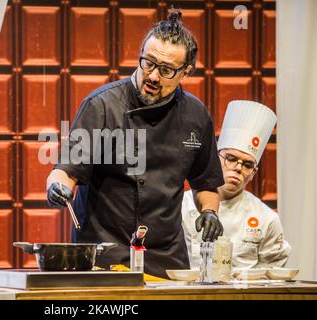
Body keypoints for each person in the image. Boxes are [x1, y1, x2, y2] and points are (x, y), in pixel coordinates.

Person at [46, 9, 225, 278]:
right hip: (106, 253)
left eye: (166, 70)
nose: (153, 76)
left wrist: (210, 212)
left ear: (185, 72)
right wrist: (56, 186)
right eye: (148, 63)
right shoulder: (102, 106)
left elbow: (205, 182)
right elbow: (67, 171)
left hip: (166, 258)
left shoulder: (195, 115)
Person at [182, 100, 291, 269]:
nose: (238, 168)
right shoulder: (181, 206)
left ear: (253, 174)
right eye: (231, 159)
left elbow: (272, 278)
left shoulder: (266, 219)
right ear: (216, 159)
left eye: (247, 165)